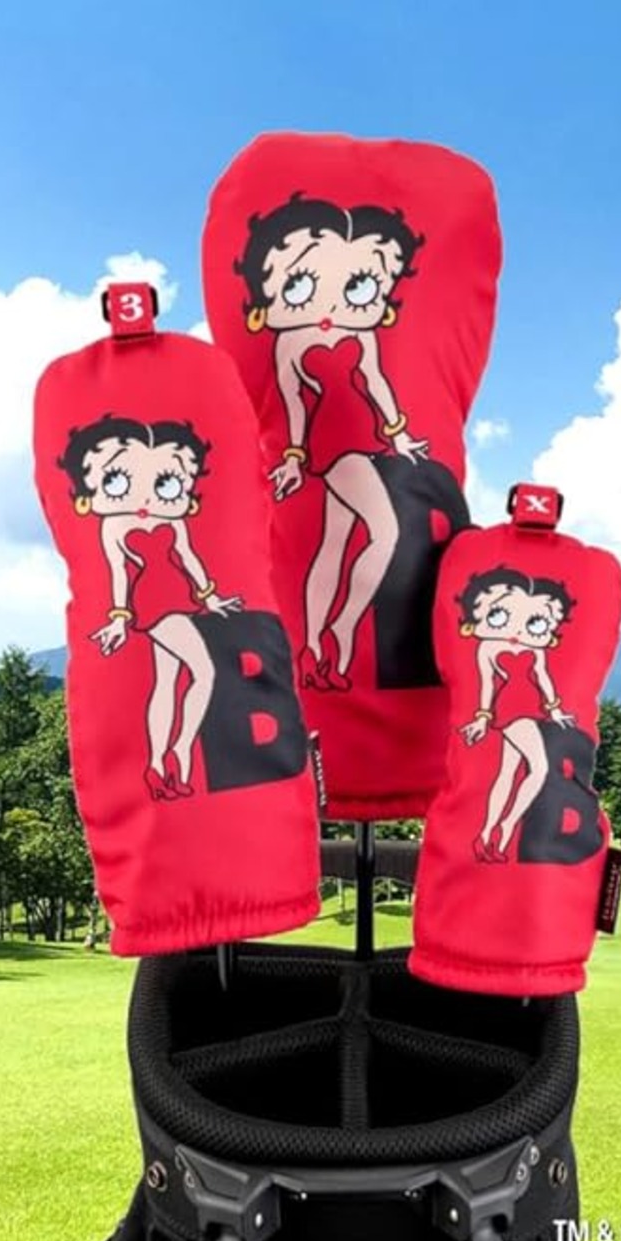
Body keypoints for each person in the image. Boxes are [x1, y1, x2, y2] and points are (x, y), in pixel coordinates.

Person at [235, 193, 428, 690]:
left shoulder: (360, 334)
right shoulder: (290, 340)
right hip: (334, 445)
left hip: (364, 439)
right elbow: (293, 403)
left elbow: (375, 381)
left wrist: (398, 432)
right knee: (385, 532)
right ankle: (342, 627)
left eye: (358, 284)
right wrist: (294, 456)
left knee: (334, 544)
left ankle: (313, 646)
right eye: (301, 282)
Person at [58, 415, 241, 799]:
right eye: (117, 480)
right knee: (205, 671)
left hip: (179, 599)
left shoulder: (171, 520)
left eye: (164, 482)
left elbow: (188, 557)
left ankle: (157, 765)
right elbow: (118, 573)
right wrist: (119, 618)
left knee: (167, 682)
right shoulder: (113, 525)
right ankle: (181, 747)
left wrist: (209, 596)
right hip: (154, 604)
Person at [456, 567, 578, 862]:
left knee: (507, 773)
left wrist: (554, 709)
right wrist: (483, 717)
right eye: (499, 616)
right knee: (540, 768)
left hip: (530, 709)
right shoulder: (487, 647)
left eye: (535, 622)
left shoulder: (535, 650)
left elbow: (543, 677)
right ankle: (507, 825)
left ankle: (487, 835)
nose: (518, 630)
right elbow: (487, 683)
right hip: (511, 710)